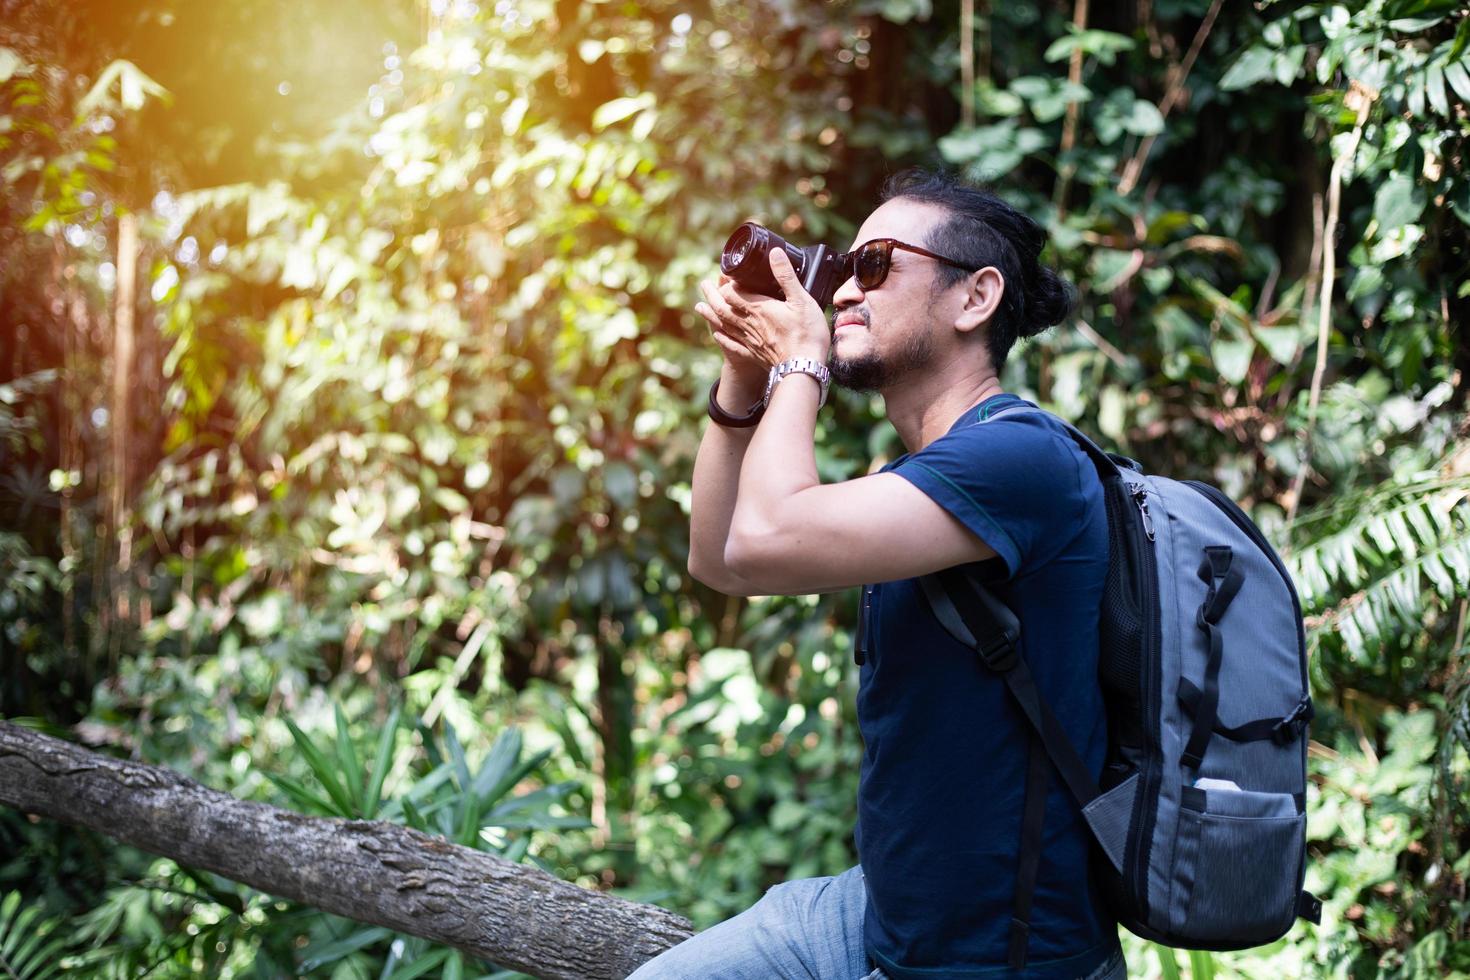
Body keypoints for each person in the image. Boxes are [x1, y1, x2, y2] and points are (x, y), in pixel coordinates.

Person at [630, 169, 1125, 980]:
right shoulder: (928, 470)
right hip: (882, 912)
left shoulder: (1020, 457)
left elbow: (765, 537)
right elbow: (719, 559)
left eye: (875, 265)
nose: (843, 294)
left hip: (997, 957)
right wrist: (744, 379)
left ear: (975, 298)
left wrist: (800, 366)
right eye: (842, 267)